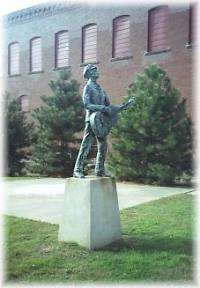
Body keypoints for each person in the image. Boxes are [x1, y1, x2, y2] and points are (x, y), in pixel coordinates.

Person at [73, 64, 110, 178]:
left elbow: (108, 105)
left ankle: (99, 169)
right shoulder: (88, 87)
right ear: (89, 74)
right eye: (94, 71)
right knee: (86, 145)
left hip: (101, 121)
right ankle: (77, 169)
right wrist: (101, 108)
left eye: (96, 70)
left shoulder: (101, 89)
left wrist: (122, 107)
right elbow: (87, 104)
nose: (96, 72)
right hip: (91, 120)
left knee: (103, 145)